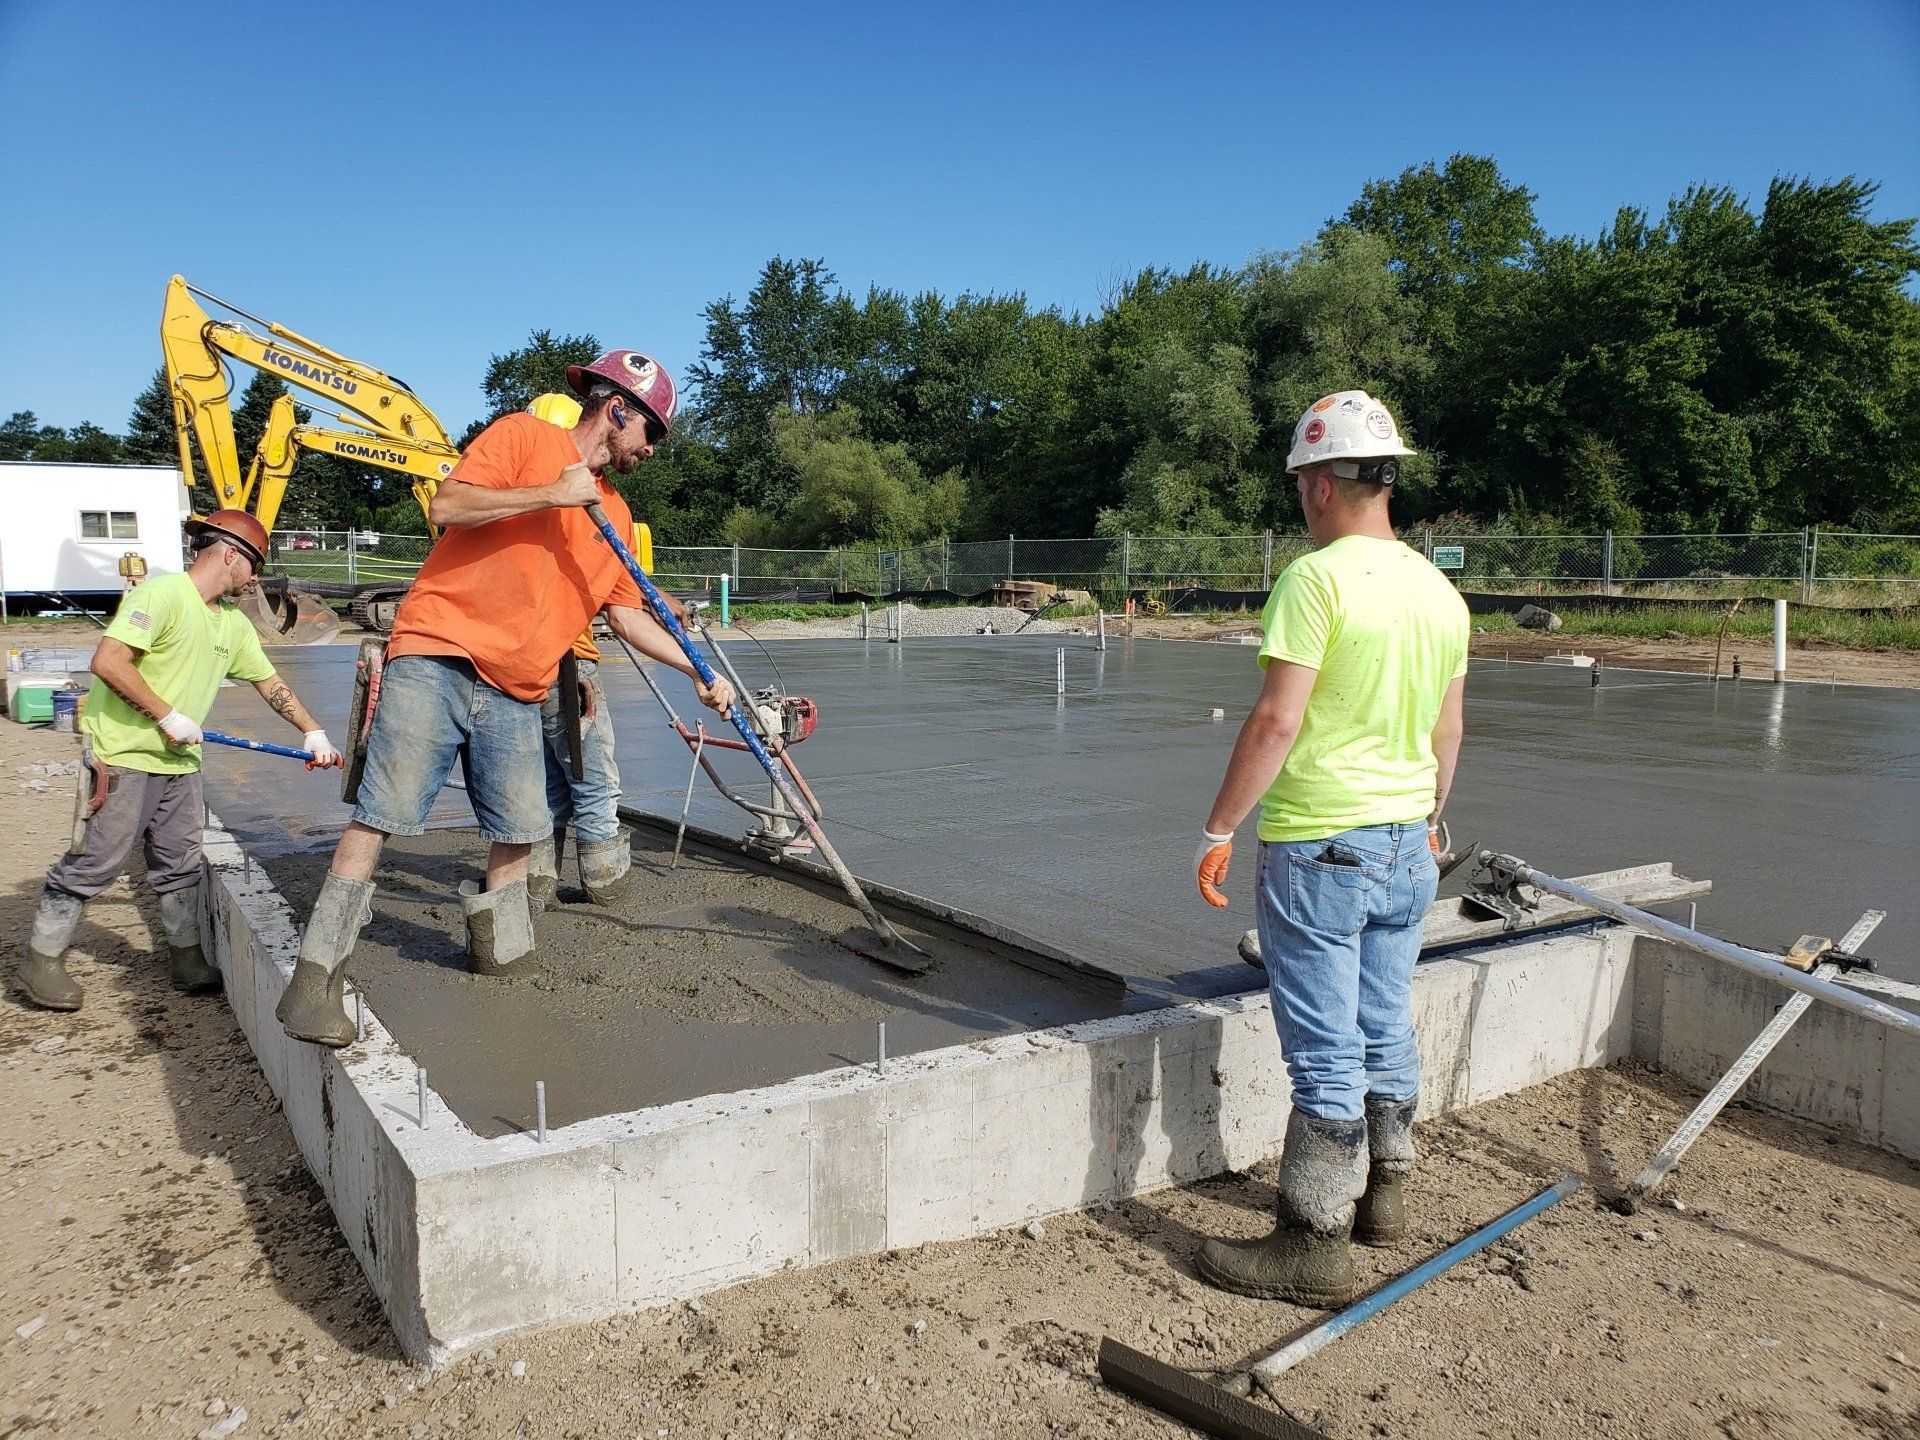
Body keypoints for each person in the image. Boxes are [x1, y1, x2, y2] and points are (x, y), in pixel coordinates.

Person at [275, 351, 734, 1048]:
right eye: (652, 433)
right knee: (382, 814)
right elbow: (448, 504)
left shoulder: (613, 509)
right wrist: (551, 493)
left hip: (519, 686)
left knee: (519, 828)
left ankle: (500, 952)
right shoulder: (524, 438)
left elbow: (626, 615)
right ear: (617, 410)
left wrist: (696, 673)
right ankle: (313, 984)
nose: (652, 449)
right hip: (440, 654)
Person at [1190, 390, 1469, 1306]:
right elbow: (1448, 730)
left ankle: (1312, 1242)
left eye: (1301, 481)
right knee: (1385, 1020)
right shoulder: (1440, 589)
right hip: (1405, 845)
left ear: (1316, 484)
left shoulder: (1314, 581)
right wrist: (1427, 822)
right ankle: (1386, 1200)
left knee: (1323, 1049)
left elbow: (1275, 722)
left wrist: (1220, 827)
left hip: (1321, 845)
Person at [18, 510, 342, 1011]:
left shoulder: (231, 624)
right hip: (125, 756)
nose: (255, 578)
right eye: (253, 565)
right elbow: (107, 661)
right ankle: (41, 958)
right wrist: (167, 716)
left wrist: (312, 731)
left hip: (179, 765)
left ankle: (186, 958)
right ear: (231, 554)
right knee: (98, 862)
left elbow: (268, 682)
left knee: (180, 863)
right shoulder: (161, 596)